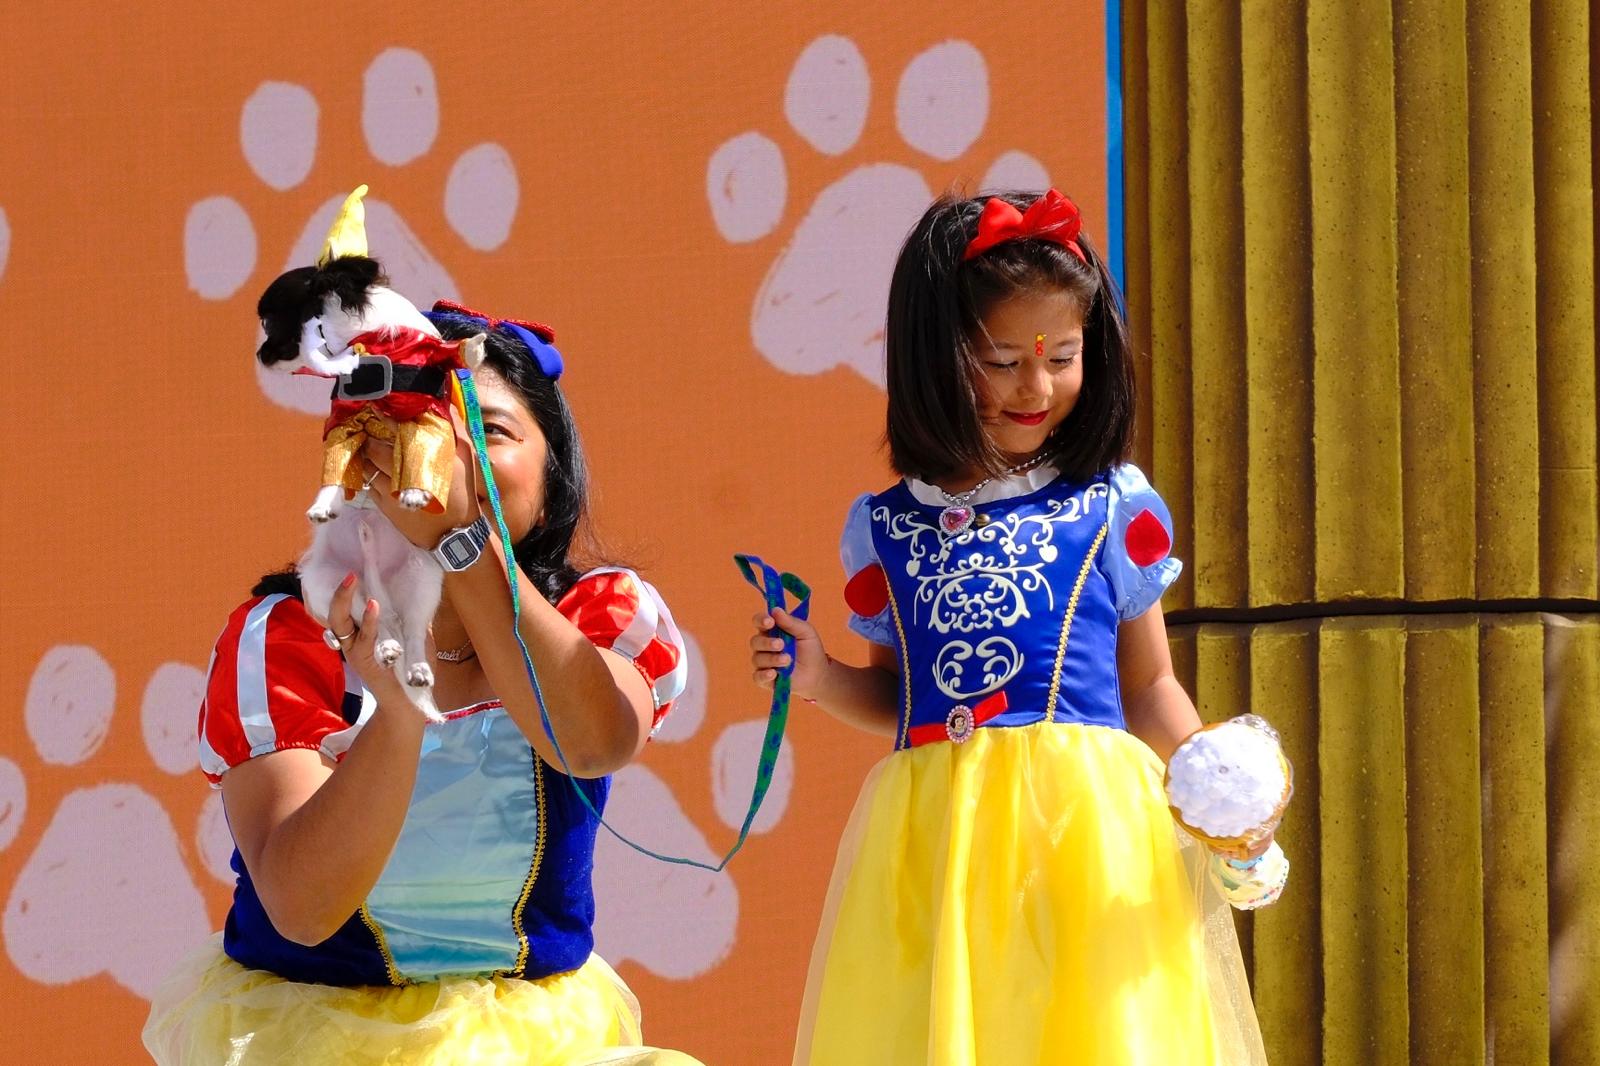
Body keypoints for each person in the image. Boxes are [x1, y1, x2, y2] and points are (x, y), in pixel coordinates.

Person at [750, 190, 1272, 1065]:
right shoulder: (885, 526)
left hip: (1086, 837)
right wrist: (817, 675)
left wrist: (1218, 790)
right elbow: (900, 697)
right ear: (934, 358)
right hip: (934, 847)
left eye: (1062, 356)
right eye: (1001, 359)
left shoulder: (1109, 504)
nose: (1038, 386)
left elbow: (1148, 687)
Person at [145, 302, 702, 1065]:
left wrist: (461, 540)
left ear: (553, 472)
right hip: (314, 1038)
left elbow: (593, 742)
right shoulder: (287, 634)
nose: (446, 458)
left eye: (491, 431)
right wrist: (399, 713)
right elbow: (302, 908)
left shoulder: (600, 613)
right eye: (419, 431)